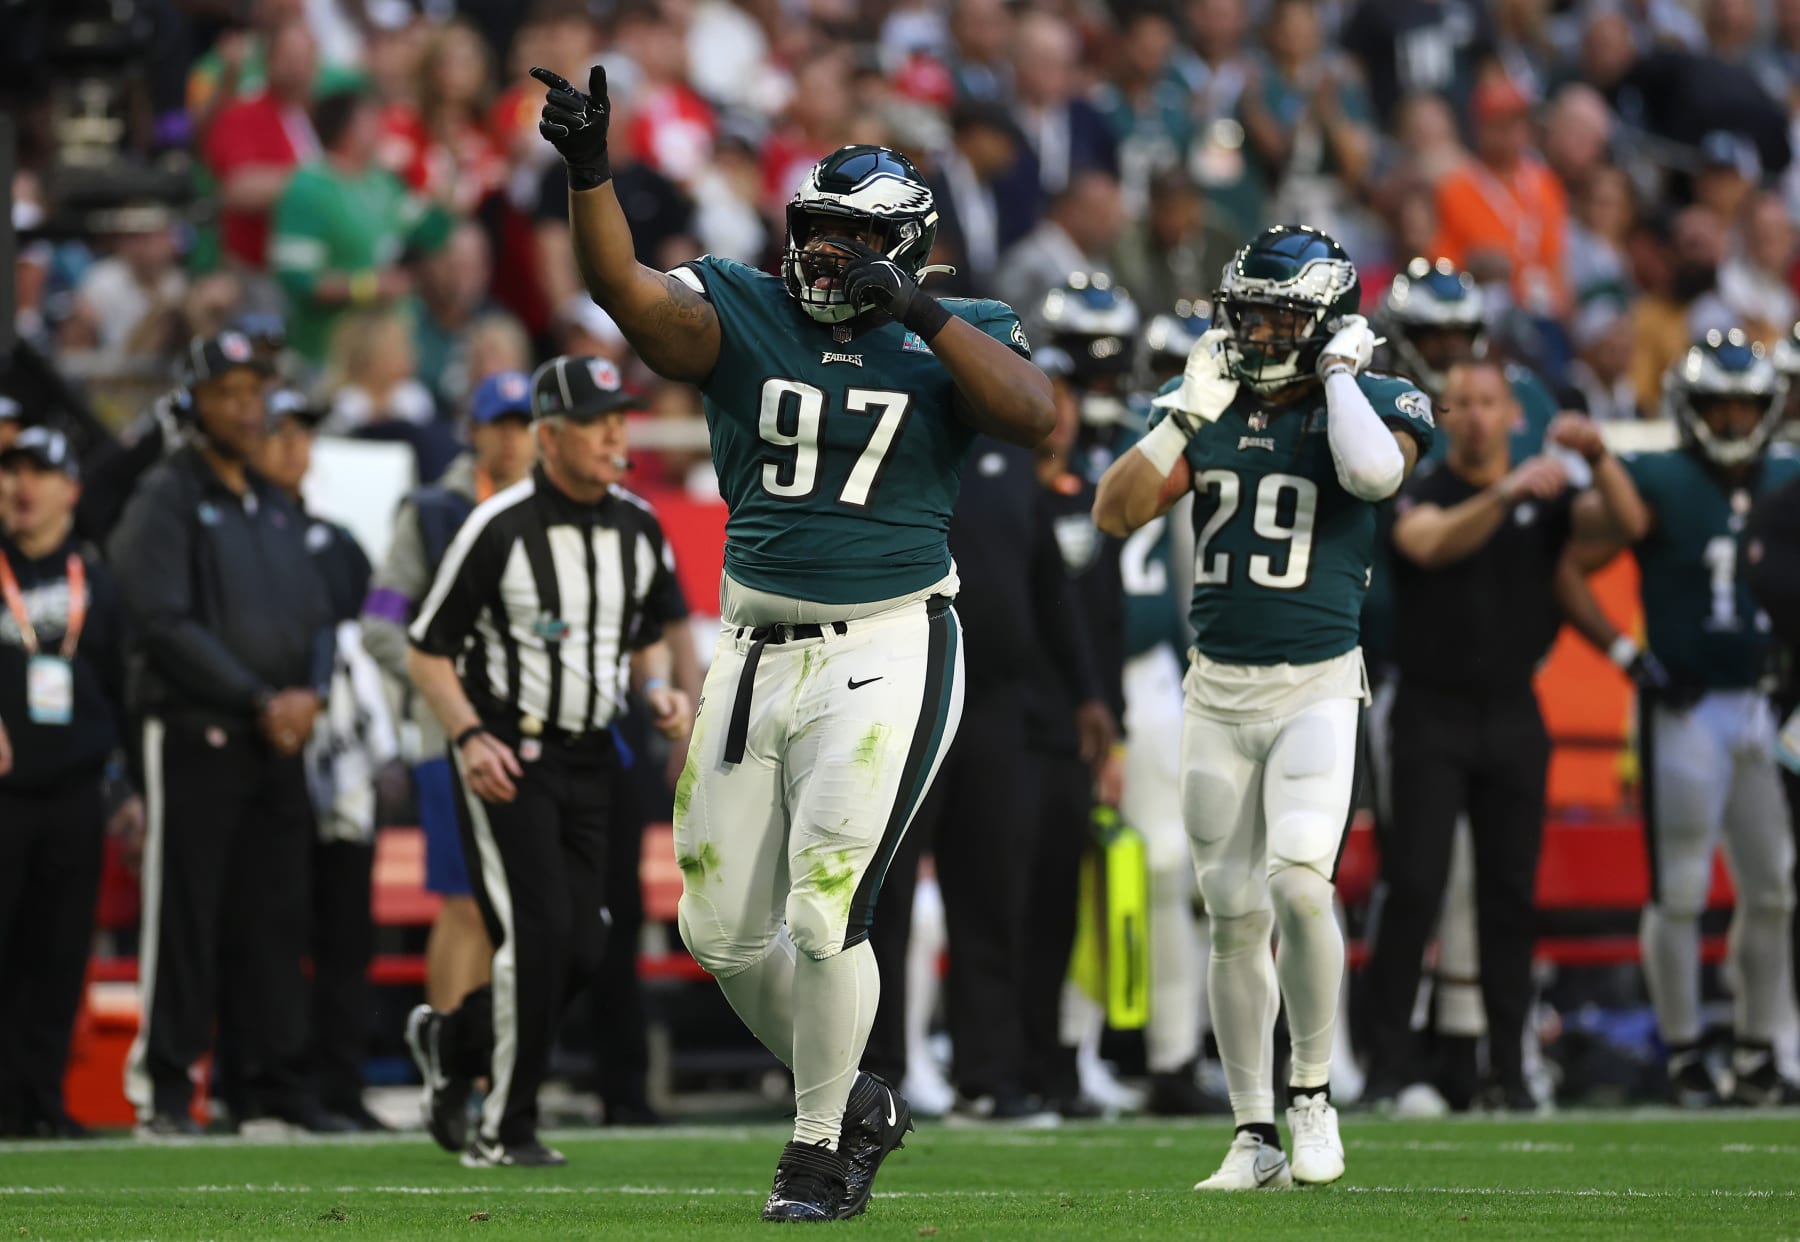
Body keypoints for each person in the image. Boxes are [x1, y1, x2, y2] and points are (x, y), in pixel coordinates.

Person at [531, 66, 1053, 1221]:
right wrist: (590, 172)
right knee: (717, 930)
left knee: (825, 912)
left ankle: (817, 1150)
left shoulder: (960, 329)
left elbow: (1035, 415)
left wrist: (914, 311)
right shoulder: (745, 306)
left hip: (888, 643)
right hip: (754, 644)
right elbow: (622, 288)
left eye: (853, 237)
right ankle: (853, 1093)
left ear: (904, 248)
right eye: (815, 228)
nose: (825, 253)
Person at [1093, 226, 1434, 1189]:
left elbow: (1376, 474)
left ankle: (1313, 1095)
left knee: (1299, 883)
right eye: (1250, 314)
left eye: (1283, 317)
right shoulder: (1208, 399)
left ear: (1326, 320)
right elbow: (1115, 511)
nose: (1259, 333)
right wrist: (1181, 416)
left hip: (1315, 683)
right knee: (1232, 913)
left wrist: (1337, 377)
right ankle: (1252, 1136)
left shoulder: (1374, 398)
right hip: (1216, 688)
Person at [403, 355, 692, 1168]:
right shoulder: (496, 526)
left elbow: (645, 636)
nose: (613, 435)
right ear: (550, 437)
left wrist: (659, 690)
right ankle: (506, 1125)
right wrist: (469, 735)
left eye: (619, 418)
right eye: (595, 421)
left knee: (588, 943)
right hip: (509, 752)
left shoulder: (637, 523)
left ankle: (454, 1042)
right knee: (537, 936)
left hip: (594, 755)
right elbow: (427, 650)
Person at [1362, 366, 1646, 1110]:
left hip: (1514, 709)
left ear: (1513, 413)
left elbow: (1625, 525)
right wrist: (1506, 494)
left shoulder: (1544, 502)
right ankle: (1387, 1064)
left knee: (1510, 896)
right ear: (1446, 416)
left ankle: (1511, 1067)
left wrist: (1600, 455)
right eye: (1464, 404)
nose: (1477, 417)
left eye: (1490, 403)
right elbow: (1427, 544)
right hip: (1431, 709)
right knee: (1414, 885)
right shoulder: (1424, 487)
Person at [110, 332, 337, 1136]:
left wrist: (309, 695)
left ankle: (270, 1086)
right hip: (195, 731)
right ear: (192, 403)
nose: (246, 409)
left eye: (255, 392)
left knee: (273, 918)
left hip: (277, 740)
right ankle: (167, 1088)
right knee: (186, 914)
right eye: (229, 393)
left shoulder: (273, 501)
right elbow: (159, 620)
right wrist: (260, 698)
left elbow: (317, 614)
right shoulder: (166, 495)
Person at [1578, 330, 1800, 1107]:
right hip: (1689, 705)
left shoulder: (1789, 473)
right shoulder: (1659, 477)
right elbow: (1569, 565)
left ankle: (1757, 1052)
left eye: (1746, 405)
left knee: (1773, 890)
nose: (1734, 420)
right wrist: (1629, 657)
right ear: (1688, 407)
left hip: (1770, 706)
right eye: (1718, 405)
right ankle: (1683, 1054)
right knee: (1679, 889)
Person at [362, 371, 535, 1017]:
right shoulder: (432, 512)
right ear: (473, 432)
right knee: (465, 900)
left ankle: (494, 1054)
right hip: (452, 737)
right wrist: (442, 681)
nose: (513, 439)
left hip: (533, 729)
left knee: (515, 904)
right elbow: (380, 618)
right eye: (500, 426)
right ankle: (451, 1055)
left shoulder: (558, 507)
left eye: (524, 425)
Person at [252, 390, 391, 1132]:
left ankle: (342, 1084)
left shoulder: (339, 543)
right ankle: (271, 1081)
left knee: (345, 927)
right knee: (272, 924)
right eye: (277, 432)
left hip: (343, 758)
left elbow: (384, 614)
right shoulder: (240, 533)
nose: (292, 446)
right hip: (267, 750)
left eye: (302, 434)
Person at [0, 428, 132, 1138]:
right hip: (4, 795)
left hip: (76, 792)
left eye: (39, 473)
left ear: (72, 491)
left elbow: (123, 687)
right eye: (11, 471)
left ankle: (42, 1101)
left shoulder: (99, 580)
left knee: (58, 954)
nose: (21, 486)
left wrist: (129, 788)